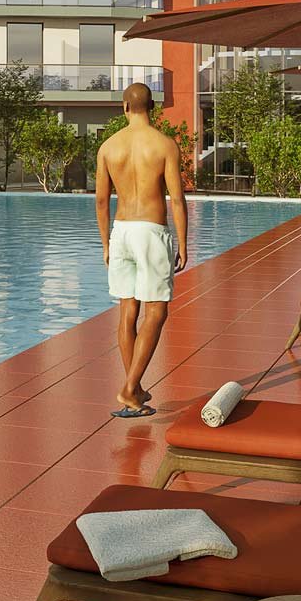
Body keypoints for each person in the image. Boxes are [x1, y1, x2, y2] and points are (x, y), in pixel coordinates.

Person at [95, 81, 187, 419]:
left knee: (127, 312)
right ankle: (129, 387)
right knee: (157, 312)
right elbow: (176, 198)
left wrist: (106, 243)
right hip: (150, 231)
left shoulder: (108, 147)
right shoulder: (164, 145)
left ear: (124, 107)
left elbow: (102, 201)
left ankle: (134, 388)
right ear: (153, 107)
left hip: (121, 231)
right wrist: (184, 240)